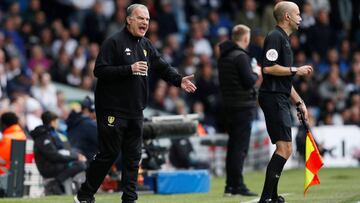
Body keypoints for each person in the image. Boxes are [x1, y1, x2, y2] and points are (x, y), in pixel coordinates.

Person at [74, 4, 196, 203]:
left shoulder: (146, 45)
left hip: (136, 110)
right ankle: (84, 195)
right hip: (112, 110)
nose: (145, 23)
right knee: (109, 154)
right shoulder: (113, 42)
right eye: (140, 18)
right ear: (129, 19)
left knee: (133, 158)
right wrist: (128, 69)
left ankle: (129, 199)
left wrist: (178, 80)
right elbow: (100, 71)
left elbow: (162, 65)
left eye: (147, 19)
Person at [257, 2, 313, 203]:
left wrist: (299, 102)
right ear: (287, 17)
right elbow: (268, 68)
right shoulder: (275, 37)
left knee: (283, 148)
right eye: (297, 14)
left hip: (279, 96)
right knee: (285, 149)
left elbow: (284, 81)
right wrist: (295, 70)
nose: (301, 17)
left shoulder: (285, 40)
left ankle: (272, 197)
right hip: (272, 97)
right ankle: (265, 199)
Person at [217, 24, 261, 197]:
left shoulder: (224, 56)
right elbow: (249, 81)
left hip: (229, 106)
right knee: (240, 148)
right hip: (242, 107)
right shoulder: (241, 57)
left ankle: (230, 186)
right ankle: (238, 185)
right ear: (245, 38)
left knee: (233, 146)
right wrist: (256, 73)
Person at [30, 111, 87, 195]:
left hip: (53, 164)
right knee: (80, 165)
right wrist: (75, 157)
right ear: (53, 121)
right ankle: (55, 183)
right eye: (57, 121)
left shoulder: (49, 134)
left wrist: (75, 156)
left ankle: (64, 186)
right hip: (48, 167)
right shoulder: (44, 136)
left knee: (80, 162)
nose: (58, 123)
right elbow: (54, 156)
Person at [67, 96, 98, 161]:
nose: (94, 114)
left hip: (72, 154)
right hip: (82, 158)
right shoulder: (88, 123)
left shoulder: (74, 119)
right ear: (86, 110)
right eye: (92, 111)